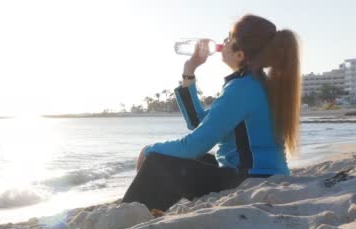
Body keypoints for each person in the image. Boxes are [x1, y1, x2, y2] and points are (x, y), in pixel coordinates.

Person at [122, 14, 301, 211]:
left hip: (251, 180)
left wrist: (147, 151)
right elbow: (198, 123)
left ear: (240, 54)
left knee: (158, 162)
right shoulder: (255, 84)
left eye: (229, 38)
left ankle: (132, 213)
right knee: (200, 160)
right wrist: (190, 69)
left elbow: (193, 145)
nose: (223, 42)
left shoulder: (242, 89)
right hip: (265, 176)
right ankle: (147, 210)